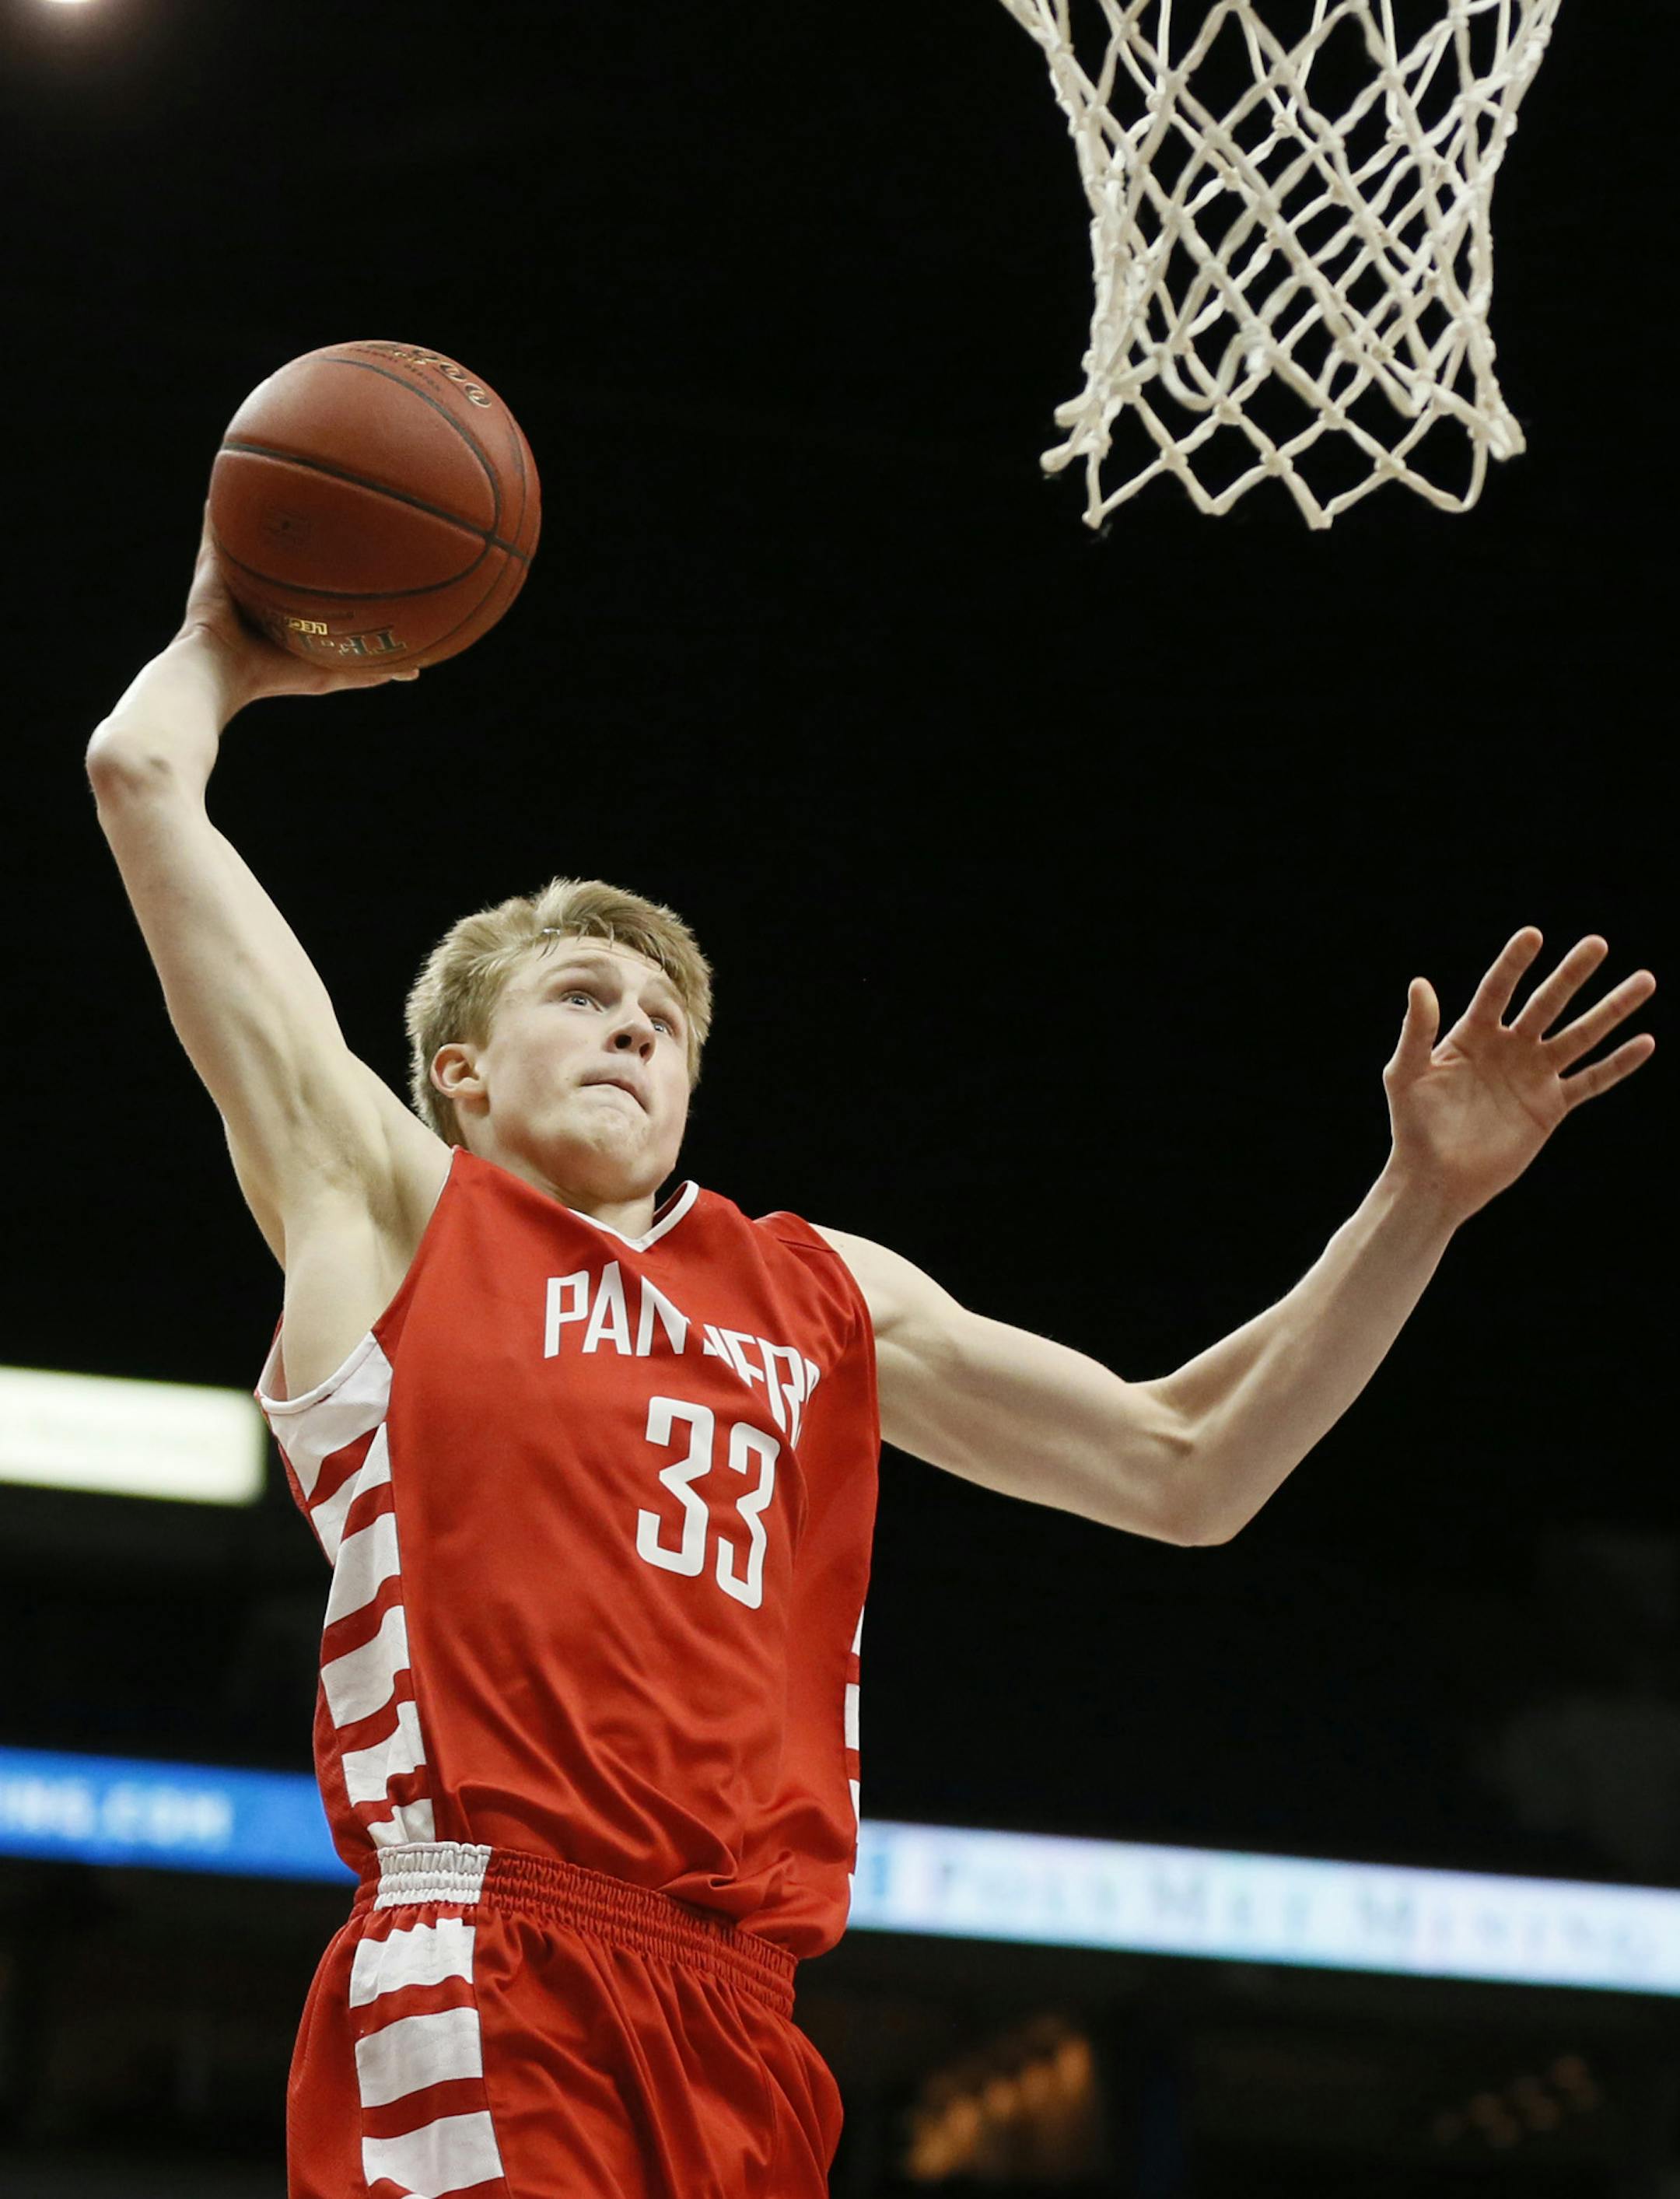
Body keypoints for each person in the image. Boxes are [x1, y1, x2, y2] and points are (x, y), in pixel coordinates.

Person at [86, 507, 1657, 2199]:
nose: (634, 1023)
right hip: (495, 1959)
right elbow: (137, 779)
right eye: (583, 991)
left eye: (665, 1017)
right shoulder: (390, 1211)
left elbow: (1190, 1465)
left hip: (752, 2028)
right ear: (459, 1073)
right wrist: (230, 653)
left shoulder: (816, 1291)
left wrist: (1418, 1200)